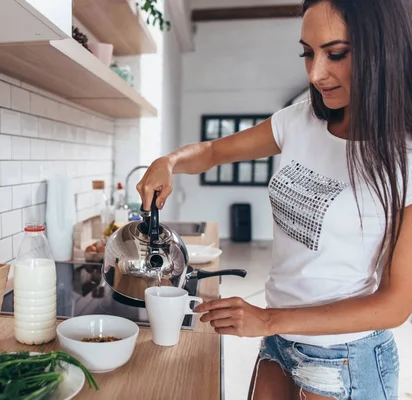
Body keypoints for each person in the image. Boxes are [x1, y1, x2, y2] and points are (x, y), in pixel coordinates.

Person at [136, 0, 412, 399]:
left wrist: (265, 320)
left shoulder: (404, 158)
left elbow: (395, 305)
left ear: (383, 51)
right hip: (280, 341)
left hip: (345, 356)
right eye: (307, 53)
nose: (316, 73)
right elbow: (214, 152)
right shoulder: (299, 121)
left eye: (336, 54)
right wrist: (169, 161)